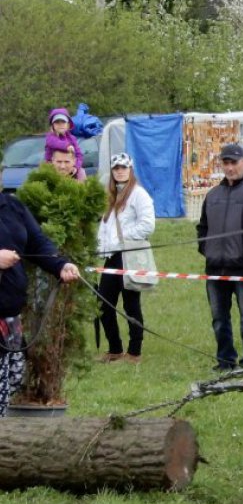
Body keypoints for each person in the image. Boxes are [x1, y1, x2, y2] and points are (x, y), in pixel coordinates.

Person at [0, 192, 81, 417]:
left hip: (9, 316)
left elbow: (37, 242)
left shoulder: (12, 206)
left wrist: (60, 265)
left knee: (14, 378)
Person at [198, 144, 243, 371]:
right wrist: (207, 249)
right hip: (215, 267)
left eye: (234, 163)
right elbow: (202, 227)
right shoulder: (212, 195)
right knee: (219, 317)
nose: (229, 168)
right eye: (225, 163)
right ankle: (225, 360)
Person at [95, 153, 155, 364]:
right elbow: (105, 227)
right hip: (112, 257)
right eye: (116, 168)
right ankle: (115, 349)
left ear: (130, 169)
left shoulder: (139, 194)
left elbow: (148, 225)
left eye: (123, 167)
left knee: (131, 305)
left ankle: (134, 351)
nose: (120, 171)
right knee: (103, 304)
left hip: (130, 255)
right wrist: (101, 247)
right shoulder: (110, 196)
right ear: (112, 171)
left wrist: (123, 238)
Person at [44, 108, 84, 175]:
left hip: (69, 171)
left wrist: (76, 167)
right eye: (57, 122)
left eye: (63, 122)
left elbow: (79, 155)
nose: (60, 124)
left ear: (68, 124)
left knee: (81, 173)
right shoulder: (50, 137)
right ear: (52, 125)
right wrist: (67, 146)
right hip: (52, 171)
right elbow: (54, 143)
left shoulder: (72, 138)